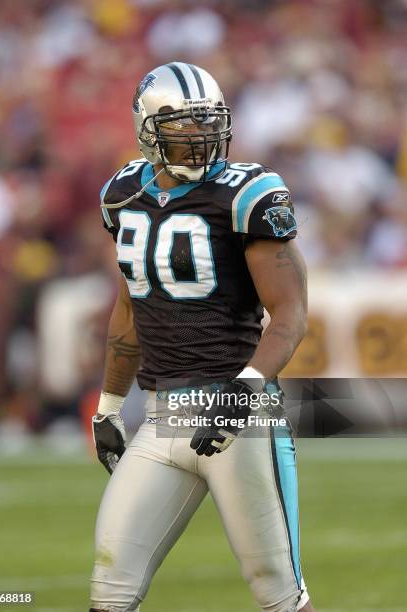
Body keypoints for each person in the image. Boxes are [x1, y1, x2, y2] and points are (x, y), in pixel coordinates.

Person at [89, 62, 313, 612]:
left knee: (278, 593)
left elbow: (290, 313)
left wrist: (246, 390)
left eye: (208, 121)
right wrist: (110, 406)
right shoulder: (123, 195)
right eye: (184, 124)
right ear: (148, 128)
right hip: (164, 416)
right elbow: (129, 306)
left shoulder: (246, 193)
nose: (200, 136)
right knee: (110, 588)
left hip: (237, 415)